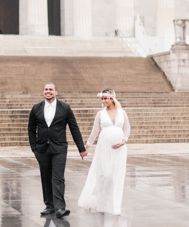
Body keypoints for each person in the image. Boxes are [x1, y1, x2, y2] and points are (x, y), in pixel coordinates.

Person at [28, 83, 86, 219]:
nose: (48, 92)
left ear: (56, 92)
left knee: (58, 177)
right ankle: (49, 206)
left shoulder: (65, 108)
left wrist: (81, 148)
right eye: (46, 90)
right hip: (42, 149)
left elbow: (74, 128)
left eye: (51, 90)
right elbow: (31, 129)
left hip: (59, 148)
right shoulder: (36, 108)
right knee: (45, 176)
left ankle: (60, 207)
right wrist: (34, 147)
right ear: (44, 92)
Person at [78, 88, 130, 216]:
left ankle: (114, 205)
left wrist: (124, 141)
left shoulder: (122, 112)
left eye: (105, 98)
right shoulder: (100, 114)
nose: (103, 101)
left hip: (120, 148)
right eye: (102, 99)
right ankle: (101, 201)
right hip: (104, 147)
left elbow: (127, 128)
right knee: (105, 174)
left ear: (112, 98)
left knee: (116, 176)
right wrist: (87, 146)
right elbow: (95, 131)